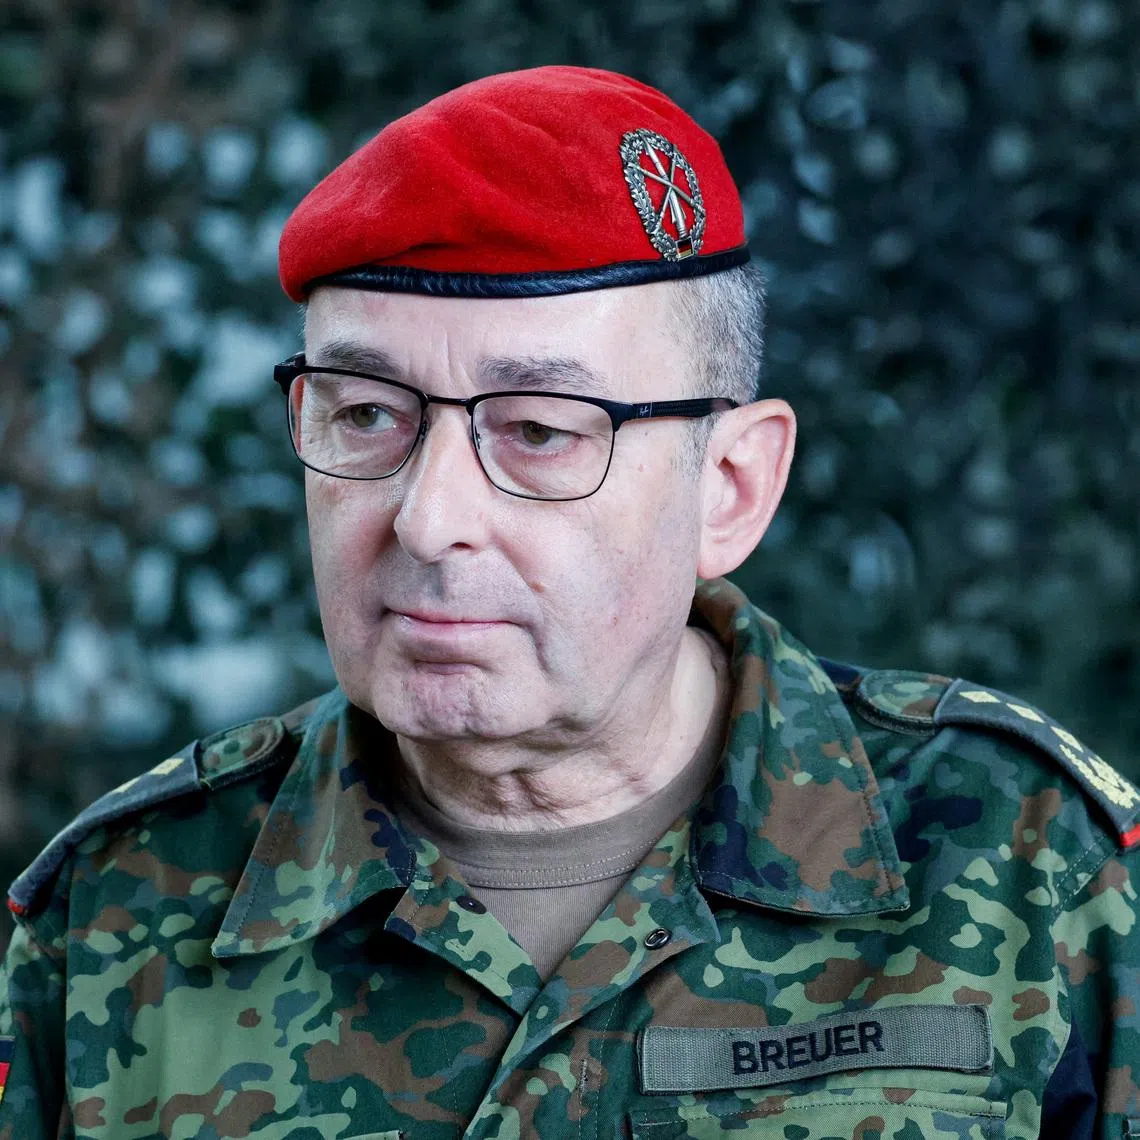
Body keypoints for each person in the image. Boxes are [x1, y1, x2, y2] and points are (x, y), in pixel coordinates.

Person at [0, 65, 1136, 1140]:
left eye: (539, 430)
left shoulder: (1033, 864)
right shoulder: (113, 919)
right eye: (364, 415)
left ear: (730, 488)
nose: (426, 515)